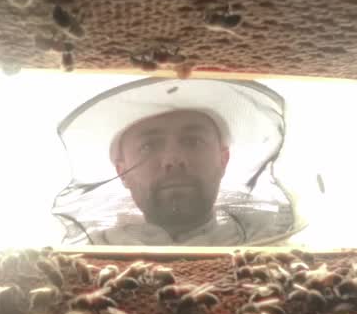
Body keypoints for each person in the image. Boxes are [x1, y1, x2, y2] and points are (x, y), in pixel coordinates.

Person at [52, 78, 300, 246]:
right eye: (149, 146)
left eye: (193, 141)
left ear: (223, 159)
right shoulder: (91, 255)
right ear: (122, 172)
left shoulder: (268, 246)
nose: (173, 160)